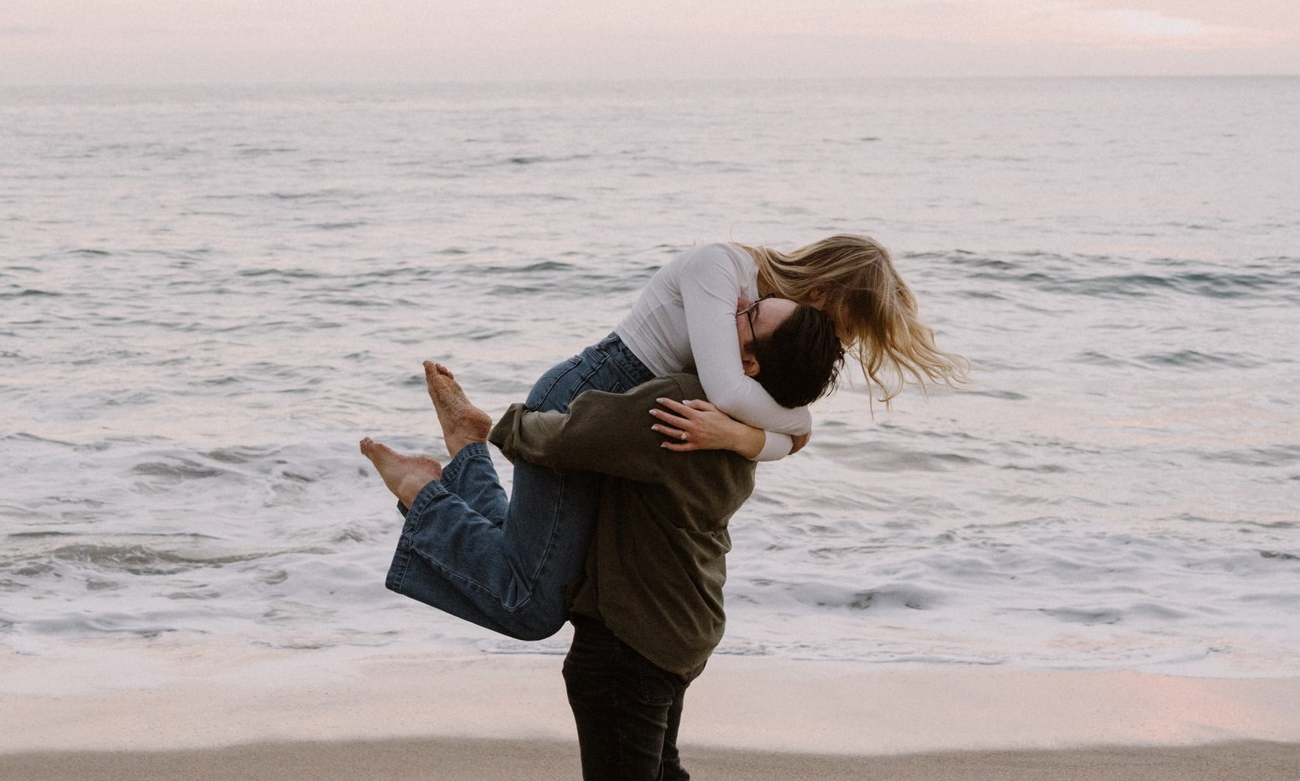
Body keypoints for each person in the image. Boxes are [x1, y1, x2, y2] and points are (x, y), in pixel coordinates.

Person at [357, 315, 845, 781]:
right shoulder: (741, 428)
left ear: (752, 363)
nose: (734, 308)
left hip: (633, 639)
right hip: (683, 624)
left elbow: (570, 433)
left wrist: (499, 428)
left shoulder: (682, 407)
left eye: (748, 318)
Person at [377, 235, 958, 640]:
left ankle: (469, 449)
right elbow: (731, 391)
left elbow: (760, 422)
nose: (833, 346)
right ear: (828, 295)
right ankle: (424, 490)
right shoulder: (722, 269)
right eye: (844, 331)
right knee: (529, 605)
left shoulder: (766, 325)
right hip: (587, 399)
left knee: (530, 574)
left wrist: (751, 440)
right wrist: (791, 426)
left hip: (624, 417)